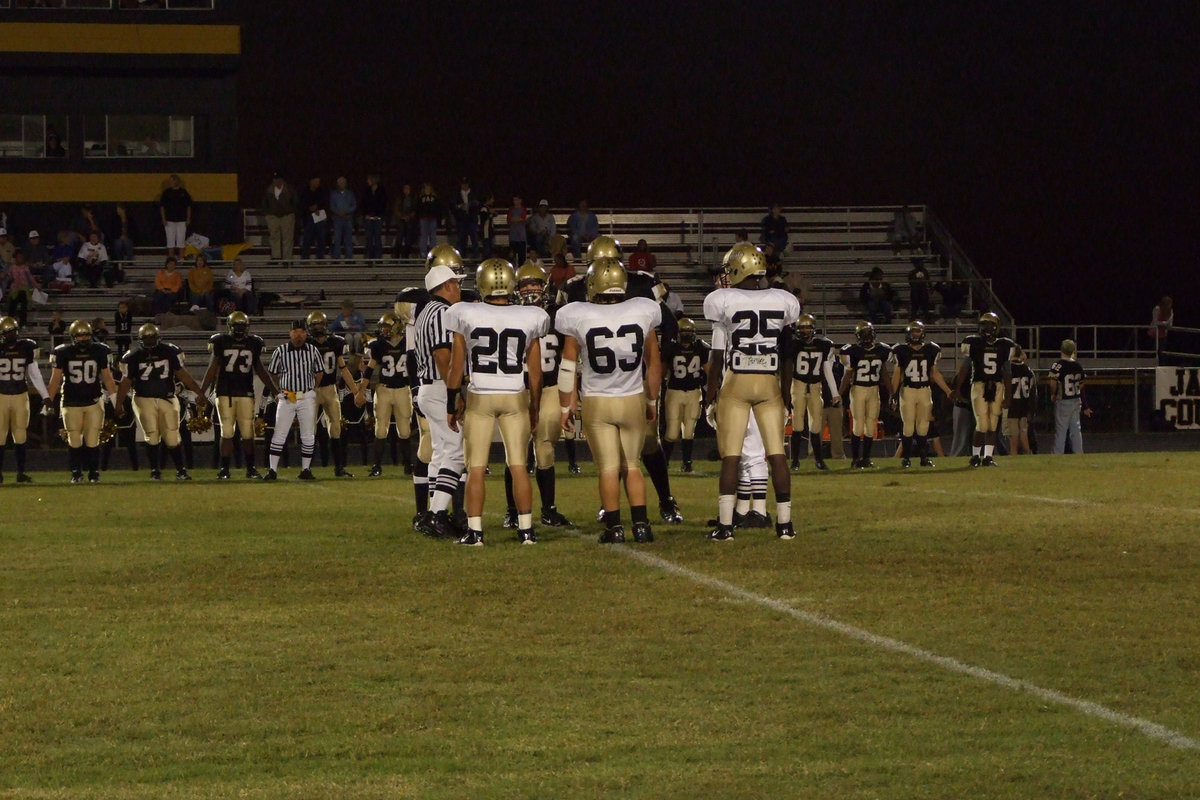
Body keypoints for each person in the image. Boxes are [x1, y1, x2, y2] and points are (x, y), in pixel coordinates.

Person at [556, 257, 663, 544]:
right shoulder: (643, 310)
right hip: (632, 399)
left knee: (608, 468)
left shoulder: (577, 314)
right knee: (632, 464)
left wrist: (565, 406)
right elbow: (654, 363)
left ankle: (614, 528)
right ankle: (642, 526)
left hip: (597, 401)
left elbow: (568, 366)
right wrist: (652, 401)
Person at [444, 259, 550, 545]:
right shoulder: (531, 315)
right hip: (515, 394)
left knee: (476, 467)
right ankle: (526, 531)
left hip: (481, 396)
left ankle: (475, 533)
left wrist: (452, 401)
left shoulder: (463, 312)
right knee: (518, 465)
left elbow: (456, 367)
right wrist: (535, 406)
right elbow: (536, 373)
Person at [703, 242, 801, 541]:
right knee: (777, 455)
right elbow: (786, 353)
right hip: (769, 382)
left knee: (731, 457)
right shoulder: (783, 299)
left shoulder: (722, 298)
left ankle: (725, 527)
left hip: (737, 382)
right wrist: (786, 393)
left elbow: (718, 357)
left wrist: (710, 395)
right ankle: (785, 527)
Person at [509, 262, 573, 527]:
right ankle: (513, 512)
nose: (531, 289)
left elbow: (568, 357)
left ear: (544, 286)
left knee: (545, 448)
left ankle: (548, 509)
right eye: (526, 285)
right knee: (517, 452)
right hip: (517, 388)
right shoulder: (508, 314)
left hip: (549, 387)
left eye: (535, 284)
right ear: (516, 288)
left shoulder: (557, 316)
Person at [412, 249, 469, 538]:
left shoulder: (425, 312)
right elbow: (443, 357)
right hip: (438, 388)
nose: (459, 288)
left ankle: (435, 515)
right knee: (456, 453)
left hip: (429, 388)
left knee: (440, 454)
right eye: (456, 283)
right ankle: (436, 515)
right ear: (445, 286)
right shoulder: (442, 312)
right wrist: (454, 394)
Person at [115, 322, 208, 480]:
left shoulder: (169, 351)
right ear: (140, 339)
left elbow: (182, 374)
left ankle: (181, 470)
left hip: (167, 397)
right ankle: (155, 471)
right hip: (143, 398)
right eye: (147, 339)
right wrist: (118, 403)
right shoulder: (132, 356)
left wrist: (199, 392)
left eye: (152, 338)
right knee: (151, 435)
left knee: (172, 436)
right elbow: (126, 382)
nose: (150, 342)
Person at [199, 311, 278, 479]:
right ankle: (226, 469)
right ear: (230, 326)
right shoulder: (223, 341)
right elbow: (213, 368)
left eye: (243, 326)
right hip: (227, 393)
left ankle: (249, 468)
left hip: (242, 392)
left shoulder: (251, 342)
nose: (241, 329)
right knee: (228, 432)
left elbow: (260, 369)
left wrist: (274, 389)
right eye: (238, 326)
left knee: (247, 433)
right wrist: (202, 391)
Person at [46, 320, 120, 484]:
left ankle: (93, 473)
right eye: (80, 336)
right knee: (74, 438)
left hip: (93, 400)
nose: (83, 338)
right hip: (71, 401)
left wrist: (116, 402)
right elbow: (55, 380)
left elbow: (107, 378)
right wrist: (47, 403)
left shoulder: (100, 350)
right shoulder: (63, 352)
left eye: (86, 335)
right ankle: (76, 472)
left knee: (93, 437)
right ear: (73, 337)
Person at [264, 322, 329, 480]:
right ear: (290, 333)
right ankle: (272, 470)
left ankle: (306, 469)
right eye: (296, 332)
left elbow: (319, 372)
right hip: (289, 395)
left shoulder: (312, 350)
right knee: (280, 433)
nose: (299, 335)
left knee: (308, 435)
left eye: (301, 332)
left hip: (305, 395)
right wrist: (280, 389)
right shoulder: (281, 351)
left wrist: (314, 388)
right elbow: (272, 372)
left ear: (306, 334)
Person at [952, 312, 1016, 467]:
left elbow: (1007, 374)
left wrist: (1008, 396)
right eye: (984, 324)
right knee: (982, 424)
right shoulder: (974, 343)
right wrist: (957, 388)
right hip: (979, 385)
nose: (986, 328)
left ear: (996, 327)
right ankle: (975, 456)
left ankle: (988, 457)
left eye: (989, 325)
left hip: (997, 386)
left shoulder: (1004, 345)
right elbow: (964, 369)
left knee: (993, 424)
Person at [305, 310, 363, 477]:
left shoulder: (335, 342)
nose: (318, 327)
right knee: (310, 430)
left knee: (336, 427)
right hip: (312, 390)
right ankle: (306, 468)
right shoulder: (307, 344)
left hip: (330, 389)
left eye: (320, 324)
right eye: (315, 325)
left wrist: (355, 391)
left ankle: (339, 467)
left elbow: (343, 369)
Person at [781, 312, 841, 471]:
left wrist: (835, 393)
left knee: (816, 425)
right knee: (798, 424)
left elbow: (827, 369)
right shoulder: (793, 345)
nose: (806, 331)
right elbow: (786, 370)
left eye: (808, 328)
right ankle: (795, 461)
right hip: (798, 385)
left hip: (816, 387)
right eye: (802, 328)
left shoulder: (823, 345)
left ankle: (819, 460)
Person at [890, 320, 952, 468]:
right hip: (908, 390)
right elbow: (897, 374)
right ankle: (906, 459)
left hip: (924, 390)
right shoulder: (900, 350)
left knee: (923, 425)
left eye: (918, 332)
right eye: (913, 333)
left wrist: (948, 390)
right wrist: (893, 394)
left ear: (923, 334)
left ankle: (923, 458)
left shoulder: (931, 349)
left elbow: (935, 374)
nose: (916, 335)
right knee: (909, 425)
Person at [362, 311, 413, 479]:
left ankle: (408, 465)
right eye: (382, 326)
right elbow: (370, 368)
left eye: (386, 326)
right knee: (380, 428)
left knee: (404, 429)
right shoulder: (378, 345)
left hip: (403, 389)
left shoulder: (409, 342)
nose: (383, 330)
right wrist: (361, 389)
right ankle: (377, 466)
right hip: (384, 389)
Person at [0, 316, 51, 483]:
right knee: (0, 436)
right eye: (7, 333)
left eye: (12, 332)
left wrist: (45, 395)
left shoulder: (26, 347)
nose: (10, 336)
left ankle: (21, 472)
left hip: (20, 395)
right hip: (1, 396)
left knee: (20, 434)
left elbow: (34, 374)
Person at [839, 321, 894, 469]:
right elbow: (847, 375)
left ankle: (866, 458)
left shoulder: (881, 350)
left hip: (873, 389)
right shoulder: (853, 351)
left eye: (869, 333)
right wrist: (839, 394)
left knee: (871, 425)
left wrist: (891, 392)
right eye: (864, 334)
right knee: (857, 424)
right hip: (858, 389)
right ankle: (855, 459)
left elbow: (884, 373)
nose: (867, 337)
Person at [661, 318, 708, 472]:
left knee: (689, 431)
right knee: (672, 431)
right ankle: (664, 462)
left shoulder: (700, 347)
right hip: (674, 391)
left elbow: (709, 370)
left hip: (694, 392)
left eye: (689, 332)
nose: (687, 335)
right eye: (684, 332)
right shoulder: (671, 348)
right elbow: (662, 371)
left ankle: (687, 463)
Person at [1049, 338, 1090, 455]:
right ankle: (1079, 453)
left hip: (1063, 400)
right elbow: (1082, 382)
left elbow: (1052, 382)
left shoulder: (1058, 364)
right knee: (1076, 429)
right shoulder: (1078, 365)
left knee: (1061, 430)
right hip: (1076, 399)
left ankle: (1057, 454)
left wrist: (1054, 393)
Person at [1004, 345, 1036, 455]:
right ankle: (1028, 454)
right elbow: (1033, 392)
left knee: (1013, 437)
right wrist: (1031, 409)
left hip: (1012, 406)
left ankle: (1014, 455)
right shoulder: (1028, 370)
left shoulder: (1008, 369)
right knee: (1023, 433)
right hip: (1024, 406)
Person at [263, 171, 298, 262]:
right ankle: (275, 257)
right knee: (274, 237)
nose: (277, 181)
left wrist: (291, 212)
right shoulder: (268, 190)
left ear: (282, 180)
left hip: (287, 216)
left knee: (287, 238)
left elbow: (295, 202)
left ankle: (287, 259)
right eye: (275, 179)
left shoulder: (289, 189)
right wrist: (267, 214)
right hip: (272, 216)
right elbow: (264, 203)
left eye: (278, 179)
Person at [158, 174, 192, 259]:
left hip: (181, 220)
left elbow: (188, 206)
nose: (170, 182)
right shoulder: (166, 193)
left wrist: (188, 218)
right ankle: (171, 259)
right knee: (170, 240)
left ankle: (181, 258)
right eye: (170, 181)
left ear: (177, 181)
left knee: (181, 240)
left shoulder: (183, 192)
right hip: (169, 220)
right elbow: (162, 206)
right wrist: (163, 218)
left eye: (172, 181)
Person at [3, 253, 39, 324]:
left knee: (23, 307)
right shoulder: (12, 267)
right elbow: (8, 277)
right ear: (15, 258)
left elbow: (30, 277)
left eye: (21, 257)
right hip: (14, 289)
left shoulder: (25, 267)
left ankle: (23, 323)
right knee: (12, 307)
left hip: (24, 289)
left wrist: (37, 285)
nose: (20, 259)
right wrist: (10, 278)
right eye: (18, 257)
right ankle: (10, 322)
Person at [300, 176, 329, 260]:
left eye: (318, 182)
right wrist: (310, 208)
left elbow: (324, 202)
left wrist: (317, 207)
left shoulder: (321, 191)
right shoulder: (305, 191)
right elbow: (302, 203)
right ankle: (305, 257)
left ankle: (320, 256)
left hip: (319, 216)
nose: (317, 183)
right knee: (307, 238)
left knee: (321, 237)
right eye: (316, 181)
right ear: (311, 181)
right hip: (308, 217)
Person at [361, 174, 388, 261]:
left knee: (377, 237)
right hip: (368, 217)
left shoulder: (381, 191)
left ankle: (378, 258)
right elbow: (363, 203)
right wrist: (366, 214)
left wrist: (378, 214)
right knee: (369, 237)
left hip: (378, 217)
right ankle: (369, 257)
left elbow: (383, 204)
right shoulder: (366, 191)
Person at [451, 178, 479, 260]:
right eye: (463, 184)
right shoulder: (457, 194)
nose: (465, 185)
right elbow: (453, 206)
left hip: (472, 219)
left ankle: (475, 256)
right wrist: (460, 207)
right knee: (461, 238)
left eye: (466, 184)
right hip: (461, 219)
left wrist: (470, 205)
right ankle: (462, 256)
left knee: (474, 238)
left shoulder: (473, 193)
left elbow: (477, 203)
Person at [392, 183, 416, 259]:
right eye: (405, 189)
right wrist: (402, 216)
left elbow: (415, 209)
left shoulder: (413, 198)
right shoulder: (400, 198)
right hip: (400, 220)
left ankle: (406, 257)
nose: (406, 190)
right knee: (399, 238)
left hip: (410, 220)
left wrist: (409, 216)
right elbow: (396, 209)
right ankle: (396, 256)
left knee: (408, 239)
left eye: (408, 189)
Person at [417, 182, 441, 255]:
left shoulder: (434, 198)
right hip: (424, 219)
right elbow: (418, 208)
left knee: (432, 236)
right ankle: (423, 252)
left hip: (432, 219)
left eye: (429, 188)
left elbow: (437, 208)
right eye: (426, 188)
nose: (427, 190)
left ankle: (433, 252)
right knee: (424, 236)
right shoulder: (421, 198)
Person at [506, 196, 528, 265]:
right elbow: (509, 220)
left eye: (516, 200)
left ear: (520, 200)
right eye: (514, 200)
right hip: (513, 236)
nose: (515, 201)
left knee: (522, 256)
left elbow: (523, 219)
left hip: (521, 237)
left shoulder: (523, 209)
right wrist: (518, 219)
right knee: (512, 256)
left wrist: (515, 219)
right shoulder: (511, 210)